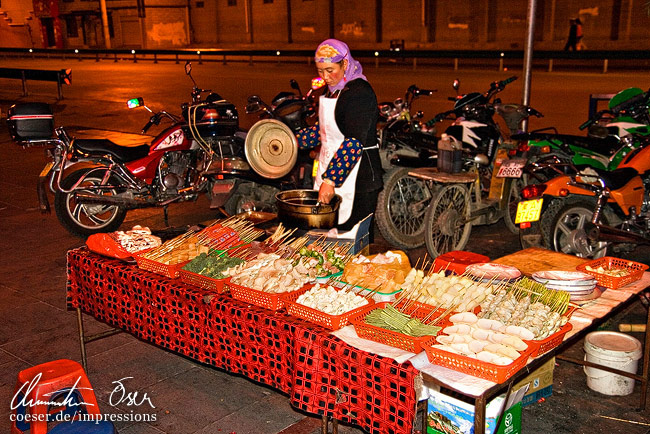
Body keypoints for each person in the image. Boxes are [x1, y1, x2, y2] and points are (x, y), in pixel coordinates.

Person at [296, 39, 383, 231]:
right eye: (320, 71)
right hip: (331, 167)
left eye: (330, 70)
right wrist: (292, 142)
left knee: (352, 238)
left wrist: (331, 180)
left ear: (345, 63)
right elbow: (326, 129)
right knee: (327, 235)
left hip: (358, 177)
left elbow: (354, 142)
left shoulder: (359, 92)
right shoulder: (334, 91)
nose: (326, 77)